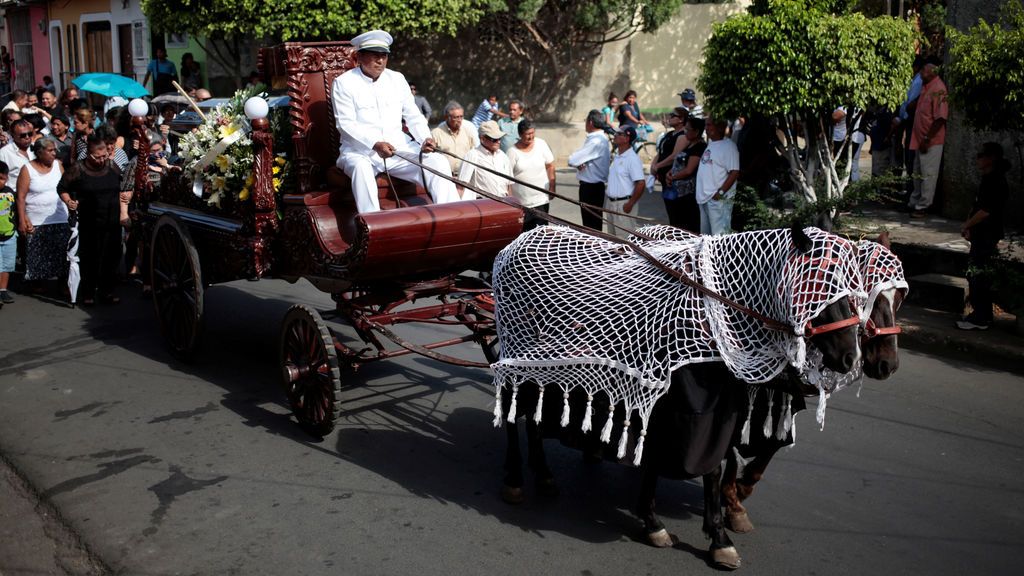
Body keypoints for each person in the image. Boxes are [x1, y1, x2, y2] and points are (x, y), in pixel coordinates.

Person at [331, 29, 458, 213]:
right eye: (375, 55)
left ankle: (452, 217)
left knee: (437, 162)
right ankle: (372, 226)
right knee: (361, 169)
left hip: (399, 150)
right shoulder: (344, 83)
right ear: (359, 56)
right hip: (360, 151)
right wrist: (374, 144)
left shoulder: (397, 79)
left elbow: (413, 115)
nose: (380, 60)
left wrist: (425, 139)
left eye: (384, 55)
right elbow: (345, 124)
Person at [58, 134, 122, 305]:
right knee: (91, 258)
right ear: (89, 154)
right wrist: (69, 201)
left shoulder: (111, 165)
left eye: (105, 156)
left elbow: (122, 185)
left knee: (111, 257)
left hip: (112, 219)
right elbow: (62, 188)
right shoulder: (78, 169)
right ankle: (88, 292)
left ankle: (107, 291)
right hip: (90, 221)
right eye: (98, 156)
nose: (102, 160)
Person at [957, 142, 1010, 331]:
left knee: (979, 275)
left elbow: (986, 211)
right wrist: (968, 224)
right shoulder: (986, 179)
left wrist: (968, 224)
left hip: (988, 234)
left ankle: (981, 317)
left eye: (982, 155)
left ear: (991, 158)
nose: (978, 159)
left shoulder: (996, 181)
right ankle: (980, 314)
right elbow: (977, 206)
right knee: (975, 274)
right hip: (980, 233)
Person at [16, 137, 68, 293]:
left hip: (60, 216)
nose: (54, 153)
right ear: (39, 153)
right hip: (36, 219)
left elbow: (65, 188)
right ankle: (37, 283)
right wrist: (22, 219)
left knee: (62, 253)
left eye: (55, 150)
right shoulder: (27, 169)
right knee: (38, 254)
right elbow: (20, 197)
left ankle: (63, 283)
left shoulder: (58, 166)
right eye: (50, 150)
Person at [907, 58, 947, 217]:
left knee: (928, 175)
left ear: (932, 73)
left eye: (924, 71)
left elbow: (940, 118)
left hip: (930, 141)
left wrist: (927, 139)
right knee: (917, 173)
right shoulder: (926, 87)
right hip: (919, 139)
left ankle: (923, 206)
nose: (921, 74)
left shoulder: (939, 89)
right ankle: (915, 202)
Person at [507, 119, 555, 231]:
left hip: (541, 200)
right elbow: (507, 178)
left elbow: (550, 165)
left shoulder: (541, 144)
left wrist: (552, 187)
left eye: (533, 133)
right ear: (520, 134)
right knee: (525, 234)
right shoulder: (512, 152)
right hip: (522, 203)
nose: (531, 137)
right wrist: (510, 200)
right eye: (528, 134)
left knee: (542, 234)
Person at [567, 109, 611, 231]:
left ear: (590, 122)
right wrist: (579, 162)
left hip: (591, 188)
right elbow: (579, 160)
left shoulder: (596, 141)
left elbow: (572, 159)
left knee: (592, 227)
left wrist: (577, 161)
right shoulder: (598, 139)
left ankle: (594, 249)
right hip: (593, 187)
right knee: (591, 225)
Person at [696, 116, 740, 235]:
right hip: (705, 199)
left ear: (720, 128)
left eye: (709, 125)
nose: (706, 128)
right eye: (706, 125)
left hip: (717, 200)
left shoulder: (729, 146)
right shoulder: (712, 144)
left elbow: (734, 171)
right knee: (706, 238)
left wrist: (720, 193)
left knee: (719, 238)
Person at [664, 117, 706, 233]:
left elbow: (689, 170)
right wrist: (670, 173)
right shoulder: (688, 144)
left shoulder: (699, 147)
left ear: (697, 131)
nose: (685, 132)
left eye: (688, 129)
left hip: (688, 194)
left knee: (686, 226)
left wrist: (673, 177)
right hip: (678, 192)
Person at [605, 125, 645, 238]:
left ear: (627, 138)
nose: (615, 135)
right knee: (612, 240)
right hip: (611, 204)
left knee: (624, 243)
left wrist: (630, 203)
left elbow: (641, 183)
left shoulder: (632, 158)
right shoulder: (618, 156)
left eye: (619, 134)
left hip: (623, 205)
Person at [457, 120, 511, 199]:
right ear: (482, 138)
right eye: (494, 139)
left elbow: (509, 186)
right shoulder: (472, 155)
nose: (498, 142)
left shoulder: (503, 156)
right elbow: (461, 186)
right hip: (482, 204)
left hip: (503, 203)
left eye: (500, 138)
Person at [430, 101, 477, 176]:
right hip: (444, 176)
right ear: (446, 117)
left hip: (464, 177)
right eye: (456, 117)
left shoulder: (468, 132)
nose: (459, 120)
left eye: (461, 116)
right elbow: (430, 157)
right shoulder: (436, 134)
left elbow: (474, 154)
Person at [650, 106, 689, 189]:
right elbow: (660, 152)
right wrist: (653, 168)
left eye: (672, 115)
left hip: (673, 178)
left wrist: (658, 166)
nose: (669, 118)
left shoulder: (683, 136)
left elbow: (674, 156)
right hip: (663, 177)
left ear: (681, 119)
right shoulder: (670, 134)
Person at [0, 161, 16, 306]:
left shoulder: (10, 192)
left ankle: (3, 289)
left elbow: (16, 210)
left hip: (10, 234)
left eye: (1, 178)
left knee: (7, 265)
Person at [0, 119, 35, 184]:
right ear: (13, 135)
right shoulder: (4, 153)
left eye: (30, 134)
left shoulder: (37, 148)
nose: (27, 137)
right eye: (23, 135)